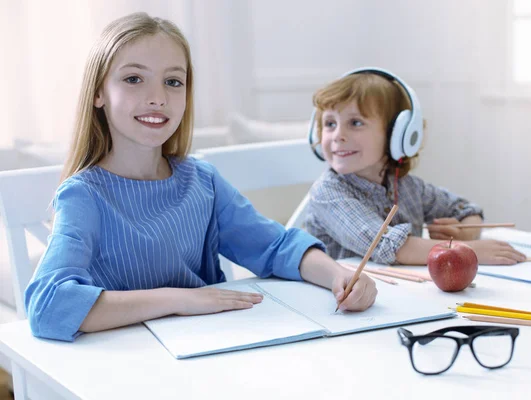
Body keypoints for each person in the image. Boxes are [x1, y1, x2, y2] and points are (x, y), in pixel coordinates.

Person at [24, 13, 377, 342]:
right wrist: (179, 300)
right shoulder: (83, 196)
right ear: (99, 92)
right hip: (124, 366)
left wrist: (338, 276)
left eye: (173, 81)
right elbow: (49, 306)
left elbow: (275, 246)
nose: (158, 98)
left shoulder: (202, 182)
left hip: (210, 350)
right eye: (134, 79)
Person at [305, 68, 526, 266]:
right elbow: (387, 246)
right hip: (346, 304)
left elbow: (467, 210)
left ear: (398, 134)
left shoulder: (407, 186)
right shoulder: (328, 193)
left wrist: (465, 235)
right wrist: (468, 251)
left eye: (355, 123)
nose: (338, 136)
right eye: (330, 124)